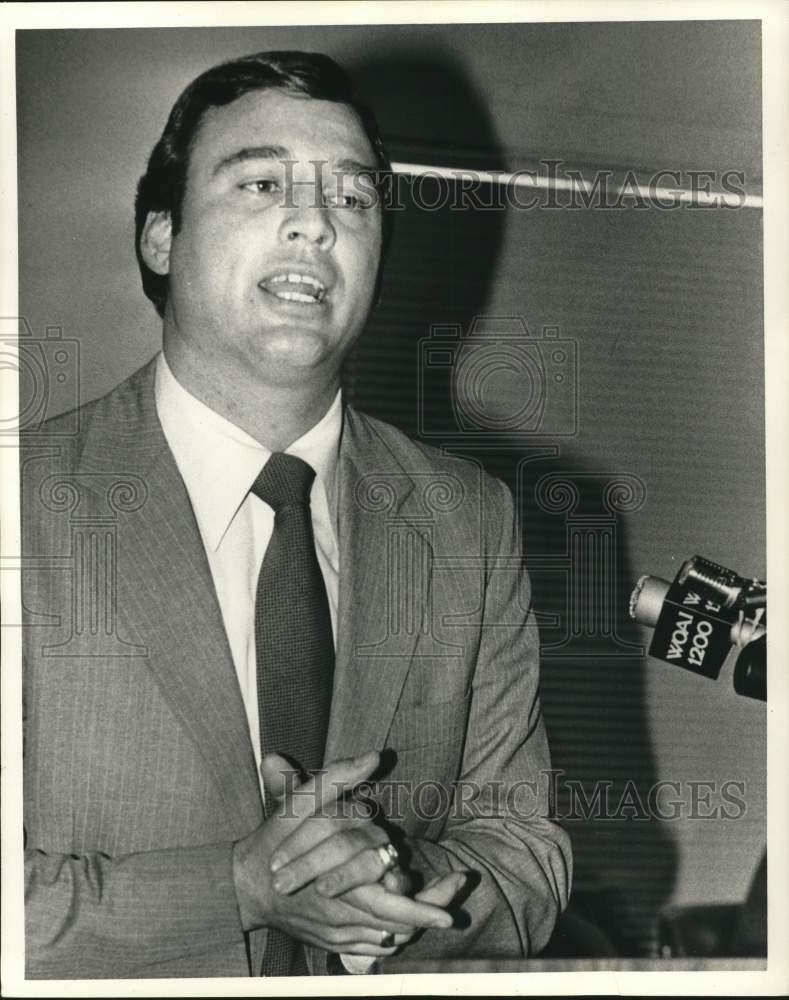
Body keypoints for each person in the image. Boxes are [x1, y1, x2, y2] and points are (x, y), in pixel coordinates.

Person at [21, 50, 571, 979]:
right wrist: (243, 885)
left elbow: (527, 861)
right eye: (262, 182)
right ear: (160, 236)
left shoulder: (469, 523)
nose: (315, 221)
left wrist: (387, 879)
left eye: (353, 199)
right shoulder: (17, 503)